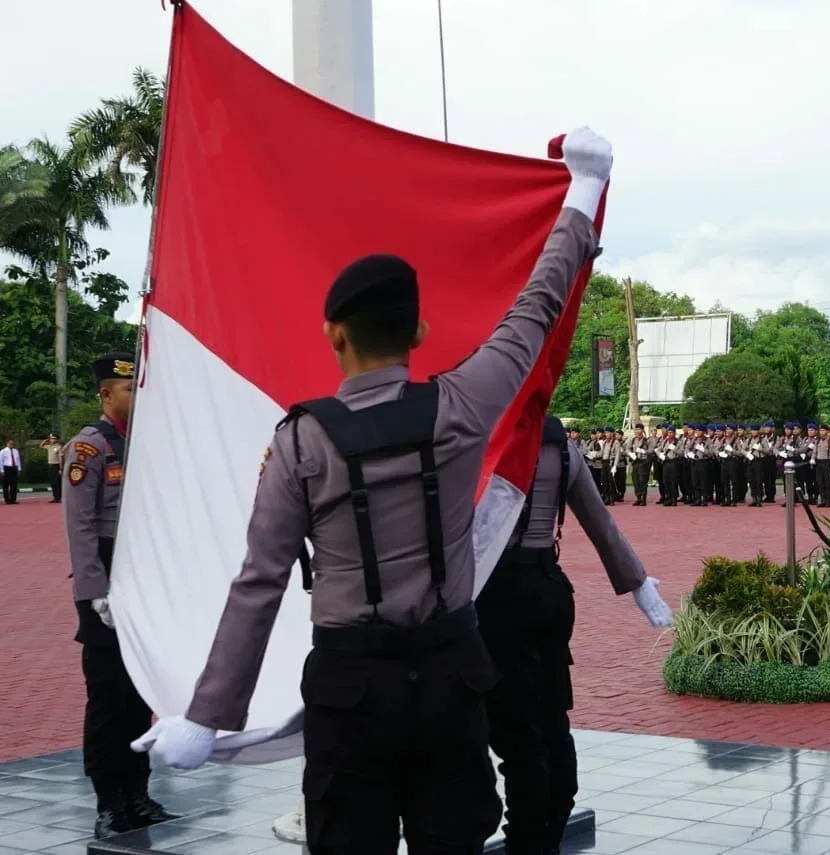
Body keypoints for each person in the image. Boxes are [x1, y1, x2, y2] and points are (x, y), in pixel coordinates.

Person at [132, 127, 615, 854]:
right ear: (418, 328)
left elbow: (259, 582)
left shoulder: (303, 440)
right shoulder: (462, 406)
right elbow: (537, 308)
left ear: (333, 333)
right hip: (453, 682)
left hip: (350, 692)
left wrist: (208, 716)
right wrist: (583, 188)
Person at [477, 415, 671, 854]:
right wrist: (637, 581)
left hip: (497, 594)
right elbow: (600, 523)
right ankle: (552, 822)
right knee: (552, 718)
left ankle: (528, 839)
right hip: (549, 587)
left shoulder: (483, 437)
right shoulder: (560, 445)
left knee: (516, 730)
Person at [63, 354, 178, 838]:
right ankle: (108, 801)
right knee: (107, 699)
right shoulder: (89, 449)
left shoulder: (147, 445)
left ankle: (138, 793)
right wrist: (95, 592)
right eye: (128, 390)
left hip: (143, 582)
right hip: (105, 584)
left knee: (139, 697)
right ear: (107, 394)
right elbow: (81, 527)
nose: (137, 397)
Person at [40, 433, 63, 502]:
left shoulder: (59, 447)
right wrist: (46, 440)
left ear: (56, 439)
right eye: (51, 438)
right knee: (52, 482)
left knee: (57, 482)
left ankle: (59, 497)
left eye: (54, 438)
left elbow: (60, 458)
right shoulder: (49, 446)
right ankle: (55, 497)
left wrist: (60, 468)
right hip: (50, 465)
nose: (52, 440)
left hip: (56, 465)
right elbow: (41, 445)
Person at [1, 439, 20, 504]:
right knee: (6, 485)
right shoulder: (3, 451)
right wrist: (2, 470)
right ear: (7, 443)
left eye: (13, 443)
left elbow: (18, 460)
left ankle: (13, 500)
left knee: (14, 485)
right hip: (6, 468)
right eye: (10, 443)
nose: (12, 445)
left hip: (14, 468)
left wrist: (19, 469)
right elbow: (0, 461)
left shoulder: (16, 451)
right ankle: (7, 500)